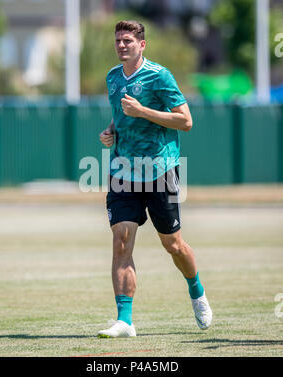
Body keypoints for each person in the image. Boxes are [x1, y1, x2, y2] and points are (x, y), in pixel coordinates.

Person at [98, 20, 212, 338]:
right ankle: (125, 321)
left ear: (142, 45)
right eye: (118, 40)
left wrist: (143, 111)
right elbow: (120, 114)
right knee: (121, 242)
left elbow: (185, 121)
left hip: (160, 172)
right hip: (122, 173)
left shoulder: (159, 76)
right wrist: (110, 131)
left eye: (128, 41)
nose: (122, 45)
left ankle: (196, 290)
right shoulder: (112, 77)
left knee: (172, 245)